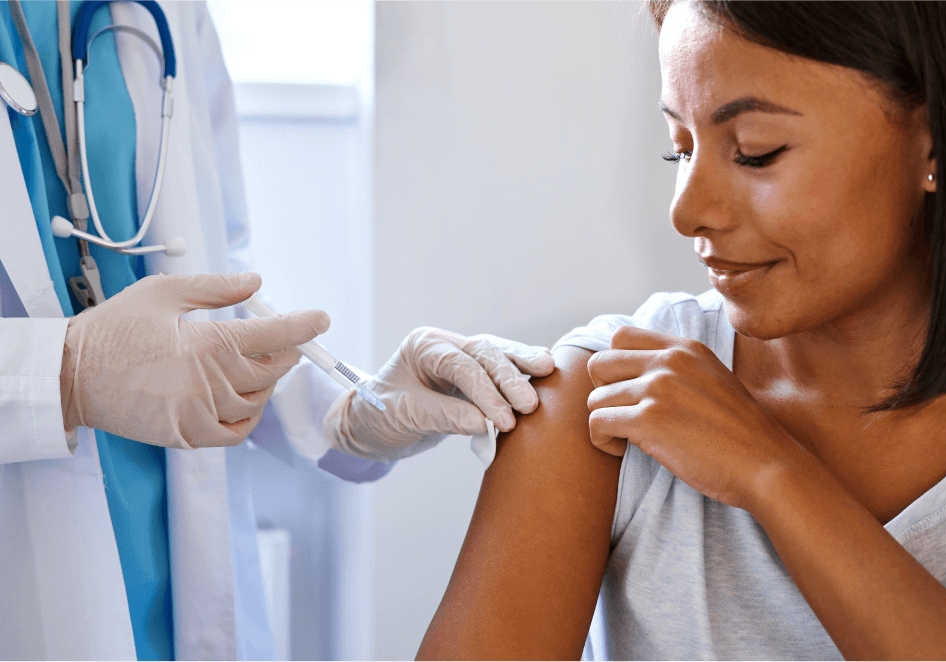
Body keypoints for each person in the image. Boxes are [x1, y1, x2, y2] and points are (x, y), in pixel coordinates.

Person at [417, 1, 946, 660]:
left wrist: (774, 475)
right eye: (679, 148)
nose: (686, 211)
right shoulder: (602, 397)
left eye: (755, 153)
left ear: (935, 140)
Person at [0, 2, 553, 660]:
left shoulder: (171, 14)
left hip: (169, 578)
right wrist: (63, 373)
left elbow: (212, 280)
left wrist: (341, 414)